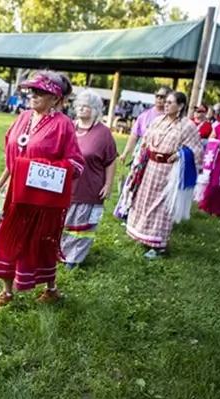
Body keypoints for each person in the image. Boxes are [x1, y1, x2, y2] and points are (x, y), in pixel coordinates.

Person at [0, 71, 84, 308]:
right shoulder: (23, 117)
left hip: (41, 197)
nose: (33, 95)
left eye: (41, 92)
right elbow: (15, 156)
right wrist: (1, 180)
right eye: (32, 90)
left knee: (41, 243)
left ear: (56, 98)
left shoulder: (64, 125)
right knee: (6, 238)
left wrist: (39, 170)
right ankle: (6, 292)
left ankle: (51, 289)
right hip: (13, 192)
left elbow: (76, 163)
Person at [125, 92, 203, 259]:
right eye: (165, 102)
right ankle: (143, 234)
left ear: (180, 106)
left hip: (168, 170)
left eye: (170, 102)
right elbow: (144, 142)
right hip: (150, 167)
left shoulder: (187, 126)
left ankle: (158, 245)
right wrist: (138, 162)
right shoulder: (158, 120)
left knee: (162, 206)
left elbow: (197, 150)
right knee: (144, 201)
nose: (166, 105)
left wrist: (182, 153)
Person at [61, 89, 117, 269]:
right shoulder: (68, 126)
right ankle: (60, 251)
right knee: (63, 221)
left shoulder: (104, 133)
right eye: (80, 105)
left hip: (91, 187)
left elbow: (110, 161)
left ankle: (74, 257)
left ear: (96, 110)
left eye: (88, 106)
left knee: (82, 225)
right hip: (65, 186)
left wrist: (108, 184)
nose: (83, 108)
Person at [114, 86, 172, 220]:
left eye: (163, 97)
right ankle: (126, 209)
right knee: (134, 181)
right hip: (141, 154)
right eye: (158, 96)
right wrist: (125, 153)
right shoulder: (145, 115)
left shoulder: (170, 118)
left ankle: (144, 214)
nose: (159, 99)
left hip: (159, 157)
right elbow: (134, 136)